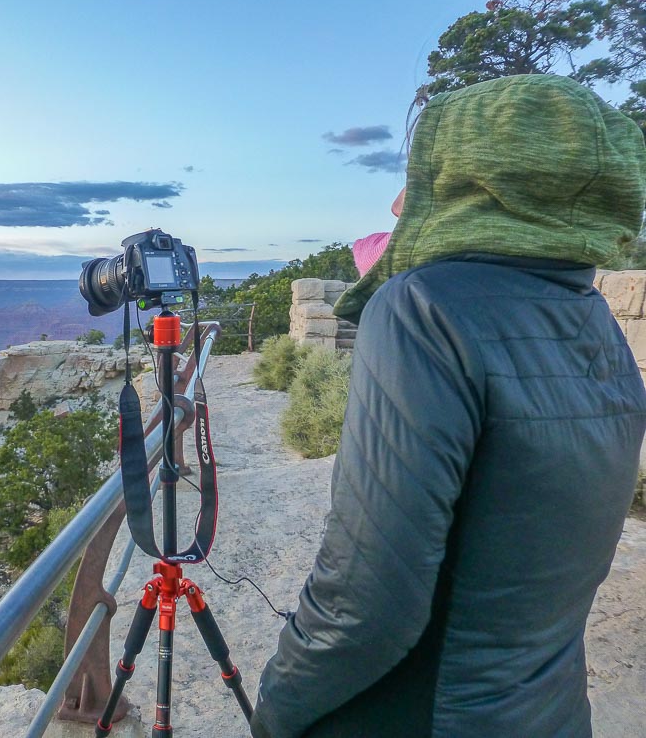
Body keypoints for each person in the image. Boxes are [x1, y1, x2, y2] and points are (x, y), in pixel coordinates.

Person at [251, 74, 646, 738]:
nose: (404, 195)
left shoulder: (423, 308)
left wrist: (279, 703)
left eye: (428, 169)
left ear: (475, 178)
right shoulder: (591, 319)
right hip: (549, 714)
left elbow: (366, 598)